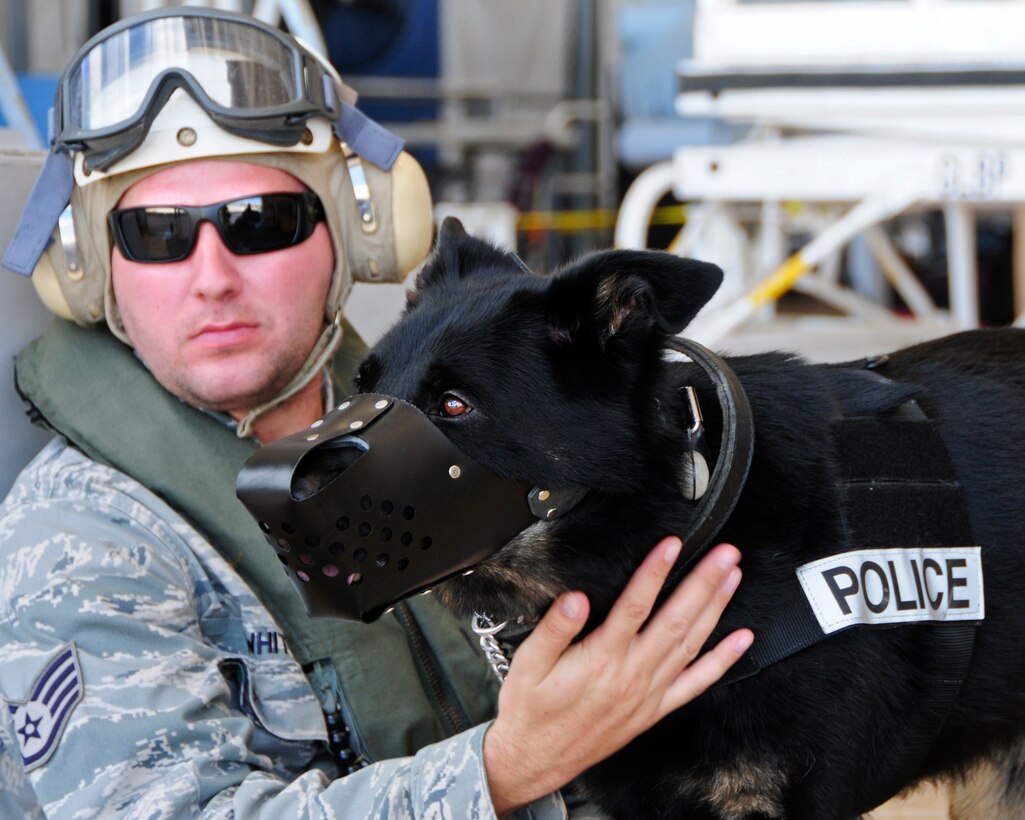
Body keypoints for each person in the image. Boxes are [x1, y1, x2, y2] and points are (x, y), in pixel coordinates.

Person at [0, 8, 753, 817]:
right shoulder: (82, 541)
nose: (211, 277)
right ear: (90, 265)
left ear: (358, 234)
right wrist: (507, 768)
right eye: (156, 233)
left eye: (259, 222)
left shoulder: (474, 442)